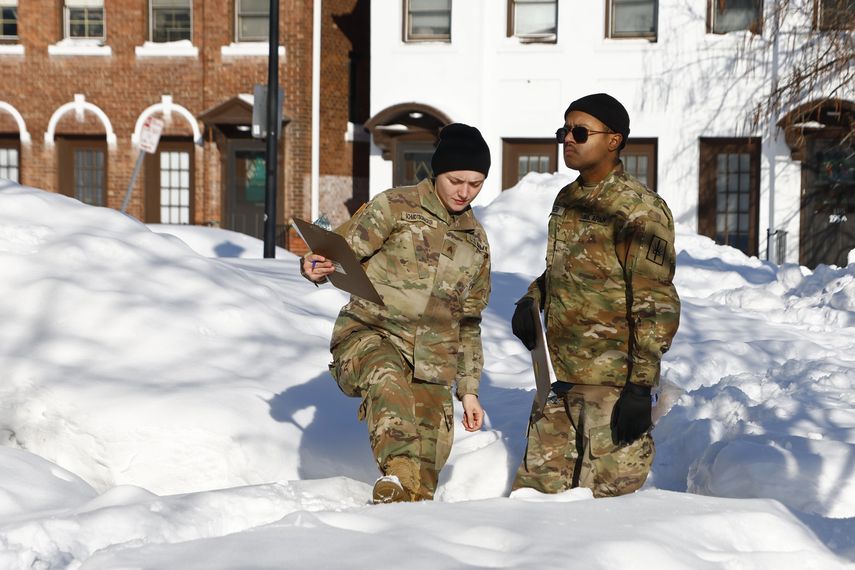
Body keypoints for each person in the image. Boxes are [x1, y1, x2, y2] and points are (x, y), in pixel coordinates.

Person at [301, 123, 492, 504]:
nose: (464, 191)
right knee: (387, 378)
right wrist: (313, 267)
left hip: (432, 363)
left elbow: (469, 323)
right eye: (456, 180)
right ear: (438, 171)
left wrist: (468, 391)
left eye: (476, 183)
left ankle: (401, 521)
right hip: (370, 334)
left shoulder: (477, 242)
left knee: (424, 473)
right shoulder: (395, 207)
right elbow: (336, 252)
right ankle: (398, 479)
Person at [510, 93, 680, 497]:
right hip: (561, 385)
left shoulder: (639, 210)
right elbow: (565, 268)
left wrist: (639, 389)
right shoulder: (568, 199)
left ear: (614, 140)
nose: (568, 139)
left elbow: (655, 303)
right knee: (531, 509)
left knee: (606, 522)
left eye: (580, 132)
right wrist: (532, 298)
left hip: (613, 393)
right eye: (564, 131)